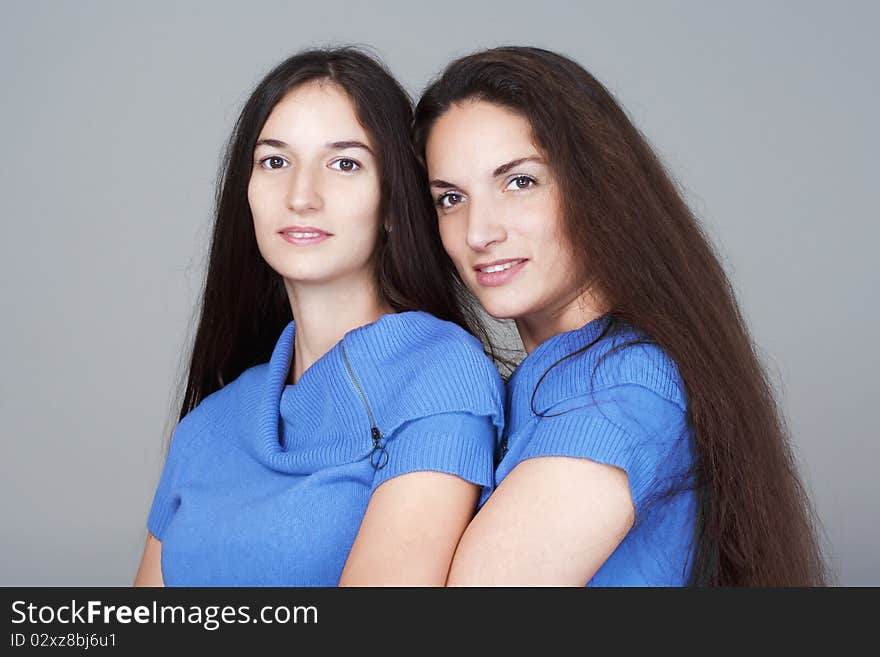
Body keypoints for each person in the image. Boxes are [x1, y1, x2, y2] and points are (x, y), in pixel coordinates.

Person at [413, 46, 827, 586]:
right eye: (450, 198)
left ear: (595, 186)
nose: (478, 232)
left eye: (520, 182)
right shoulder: (531, 387)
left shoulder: (621, 390)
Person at [133, 48, 504, 586]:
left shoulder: (440, 375)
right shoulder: (207, 426)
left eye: (345, 163)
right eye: (275, 162)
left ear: (393, 202)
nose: (301, 196)